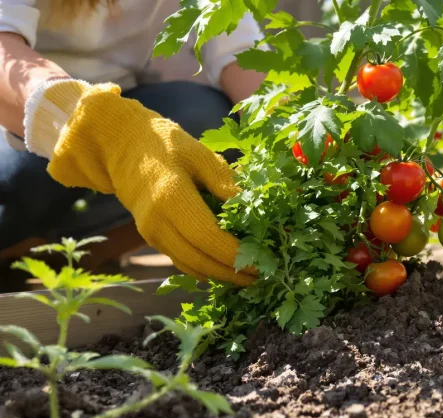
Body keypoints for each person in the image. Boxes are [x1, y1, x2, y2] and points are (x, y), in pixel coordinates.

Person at [0, 0, 262, 286]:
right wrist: (109, 128)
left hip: (126, 97)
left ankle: (83, 251)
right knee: (21, 177)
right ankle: (19, 247)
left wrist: (287, 135)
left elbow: (238, 51)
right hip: (16, 120)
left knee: (210, 119)